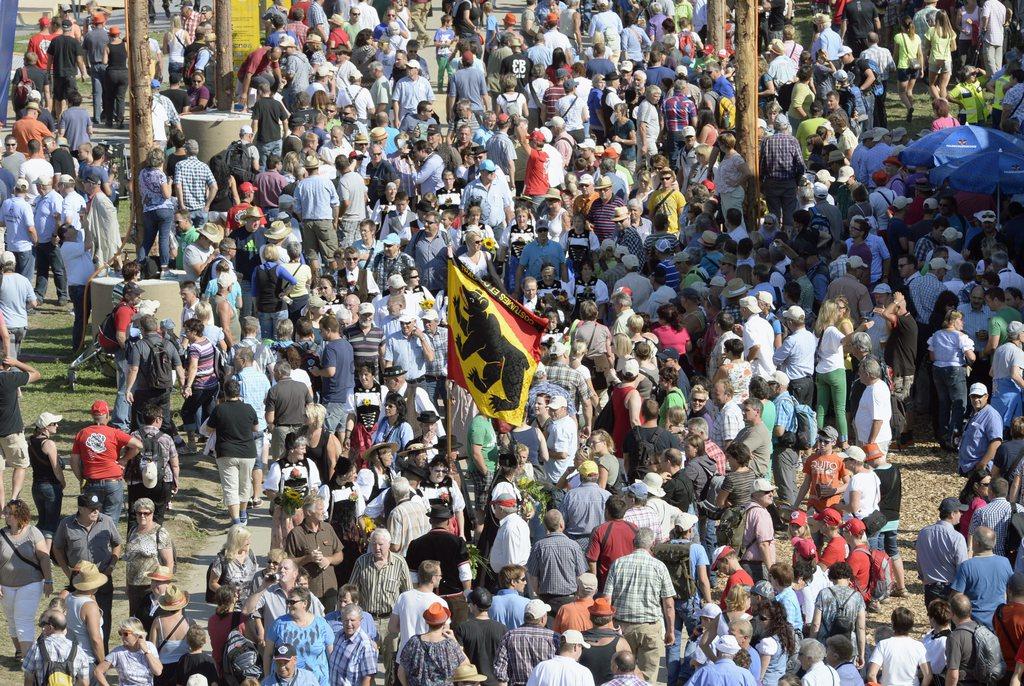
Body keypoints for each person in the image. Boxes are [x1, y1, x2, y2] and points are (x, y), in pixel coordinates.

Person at [123, 498, 174, 620]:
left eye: (146, 513)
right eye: (139, 512)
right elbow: (129, 560)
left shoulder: (160, 532)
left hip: (152, 586)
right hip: (134, 586)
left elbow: (169, 562)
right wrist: (127, 585)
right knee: (136, 621)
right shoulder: (132, 530)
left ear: (152, 513)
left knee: (151, 620)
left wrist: (164, 586)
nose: (142, 516)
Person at [94, 618, 163, 686]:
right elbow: (98, 671)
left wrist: (146, 651)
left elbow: (158, 671)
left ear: (137, 634)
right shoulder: (118, 652)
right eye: (120, 633)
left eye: (126, 634)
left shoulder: (149, 646)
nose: (122, 637)